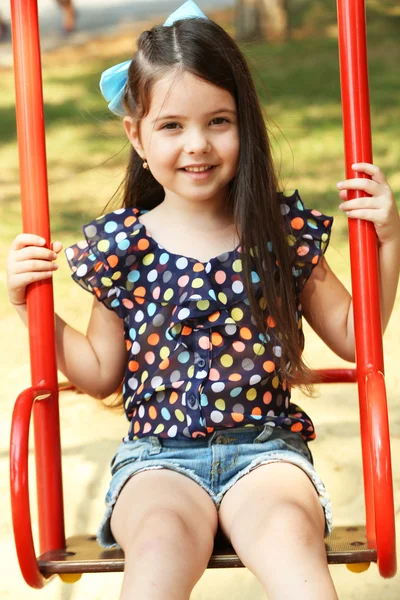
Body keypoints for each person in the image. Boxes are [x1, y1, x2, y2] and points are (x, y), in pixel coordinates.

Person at [6, 1, 400, 599]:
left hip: (266, 453)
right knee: (158, 547)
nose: (198, 144)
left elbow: (353, 333)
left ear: (247, 125)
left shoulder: (278, 233)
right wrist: (27, 305)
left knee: (291, 542)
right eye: (171, 126)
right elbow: (99, 373)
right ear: (136, 135)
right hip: (156, 460)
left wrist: (388, 241)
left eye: (219, 121)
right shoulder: (124, 246)